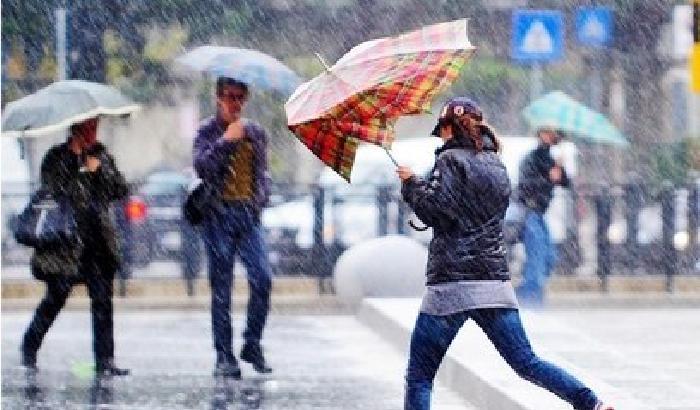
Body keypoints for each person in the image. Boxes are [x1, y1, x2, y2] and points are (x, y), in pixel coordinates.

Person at [397, 97, 613, 410]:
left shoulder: (449, 161)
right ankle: (590, 402)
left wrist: (411, 186)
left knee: (420, 375)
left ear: (448, 127)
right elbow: (477, 211)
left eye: (441, 130)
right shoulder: (495, 162)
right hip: (493, 282)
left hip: (452, 285)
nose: (440, 136)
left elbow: (438, 213)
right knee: (526, 362)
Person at [20, 117, 130, 377]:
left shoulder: (101, 155)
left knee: (103, 301)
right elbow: (54, 190)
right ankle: (30, 345)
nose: (93, 132)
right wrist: (78, 168)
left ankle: (105, 360)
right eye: (88, 127)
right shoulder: (57, 157)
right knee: (56, 297)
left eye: (95, 126)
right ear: (75, 128)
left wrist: (99, 169)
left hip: (98, 241)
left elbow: (120, 189)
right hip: (66, 243)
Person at [193, 76, 273, 378]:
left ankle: (252, 343)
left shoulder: (256, 133)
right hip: (218, 217)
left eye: (240, 97)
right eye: (229, 96)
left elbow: (262, 174)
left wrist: (259, 201)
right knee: (222, 290)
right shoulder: (207, 132)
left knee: (262, 279)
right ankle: (224, 356)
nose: (234, 103)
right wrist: (226, 141)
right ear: (218, 98)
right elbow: (202, 167)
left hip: (247, 216)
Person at [514, 126, 570, 305]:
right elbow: (526, 186)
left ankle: (529, 292)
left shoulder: (550, 159)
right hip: (529, 212)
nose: (553, 137)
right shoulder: (531, 158)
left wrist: (560, 169)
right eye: (549, 133)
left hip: (539, 214)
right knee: (536, 256)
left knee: (548, 256)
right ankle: (530, 296)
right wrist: (549, 178)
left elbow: (565, 182)